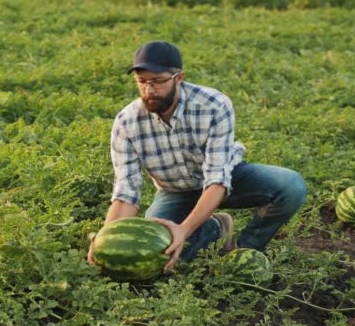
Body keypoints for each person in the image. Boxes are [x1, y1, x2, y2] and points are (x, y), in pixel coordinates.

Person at [87, 41, 307, 274]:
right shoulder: (126, 123)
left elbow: (216, 179)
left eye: (158, 81)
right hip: (175, 192)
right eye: (142, 82)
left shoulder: (213, 105)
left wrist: (184, 229)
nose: (149, 90)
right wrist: (103, 241)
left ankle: (243, 250)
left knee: (290, 186)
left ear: (179, 77)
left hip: (227, 180)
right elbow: (126, 193)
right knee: (163, 256)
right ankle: (215, 228)